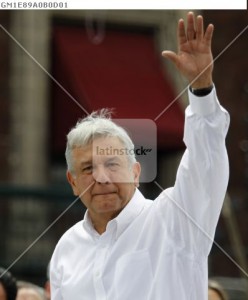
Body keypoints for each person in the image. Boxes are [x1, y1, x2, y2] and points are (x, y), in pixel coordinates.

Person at [50, 12, 230, 300]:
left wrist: (202, 87)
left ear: (136, 172)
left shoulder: (175, 220)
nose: (101, 177)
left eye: (112, 164)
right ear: (72, 182)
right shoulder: (66, 248)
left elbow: (205, 162)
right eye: (87, 168)